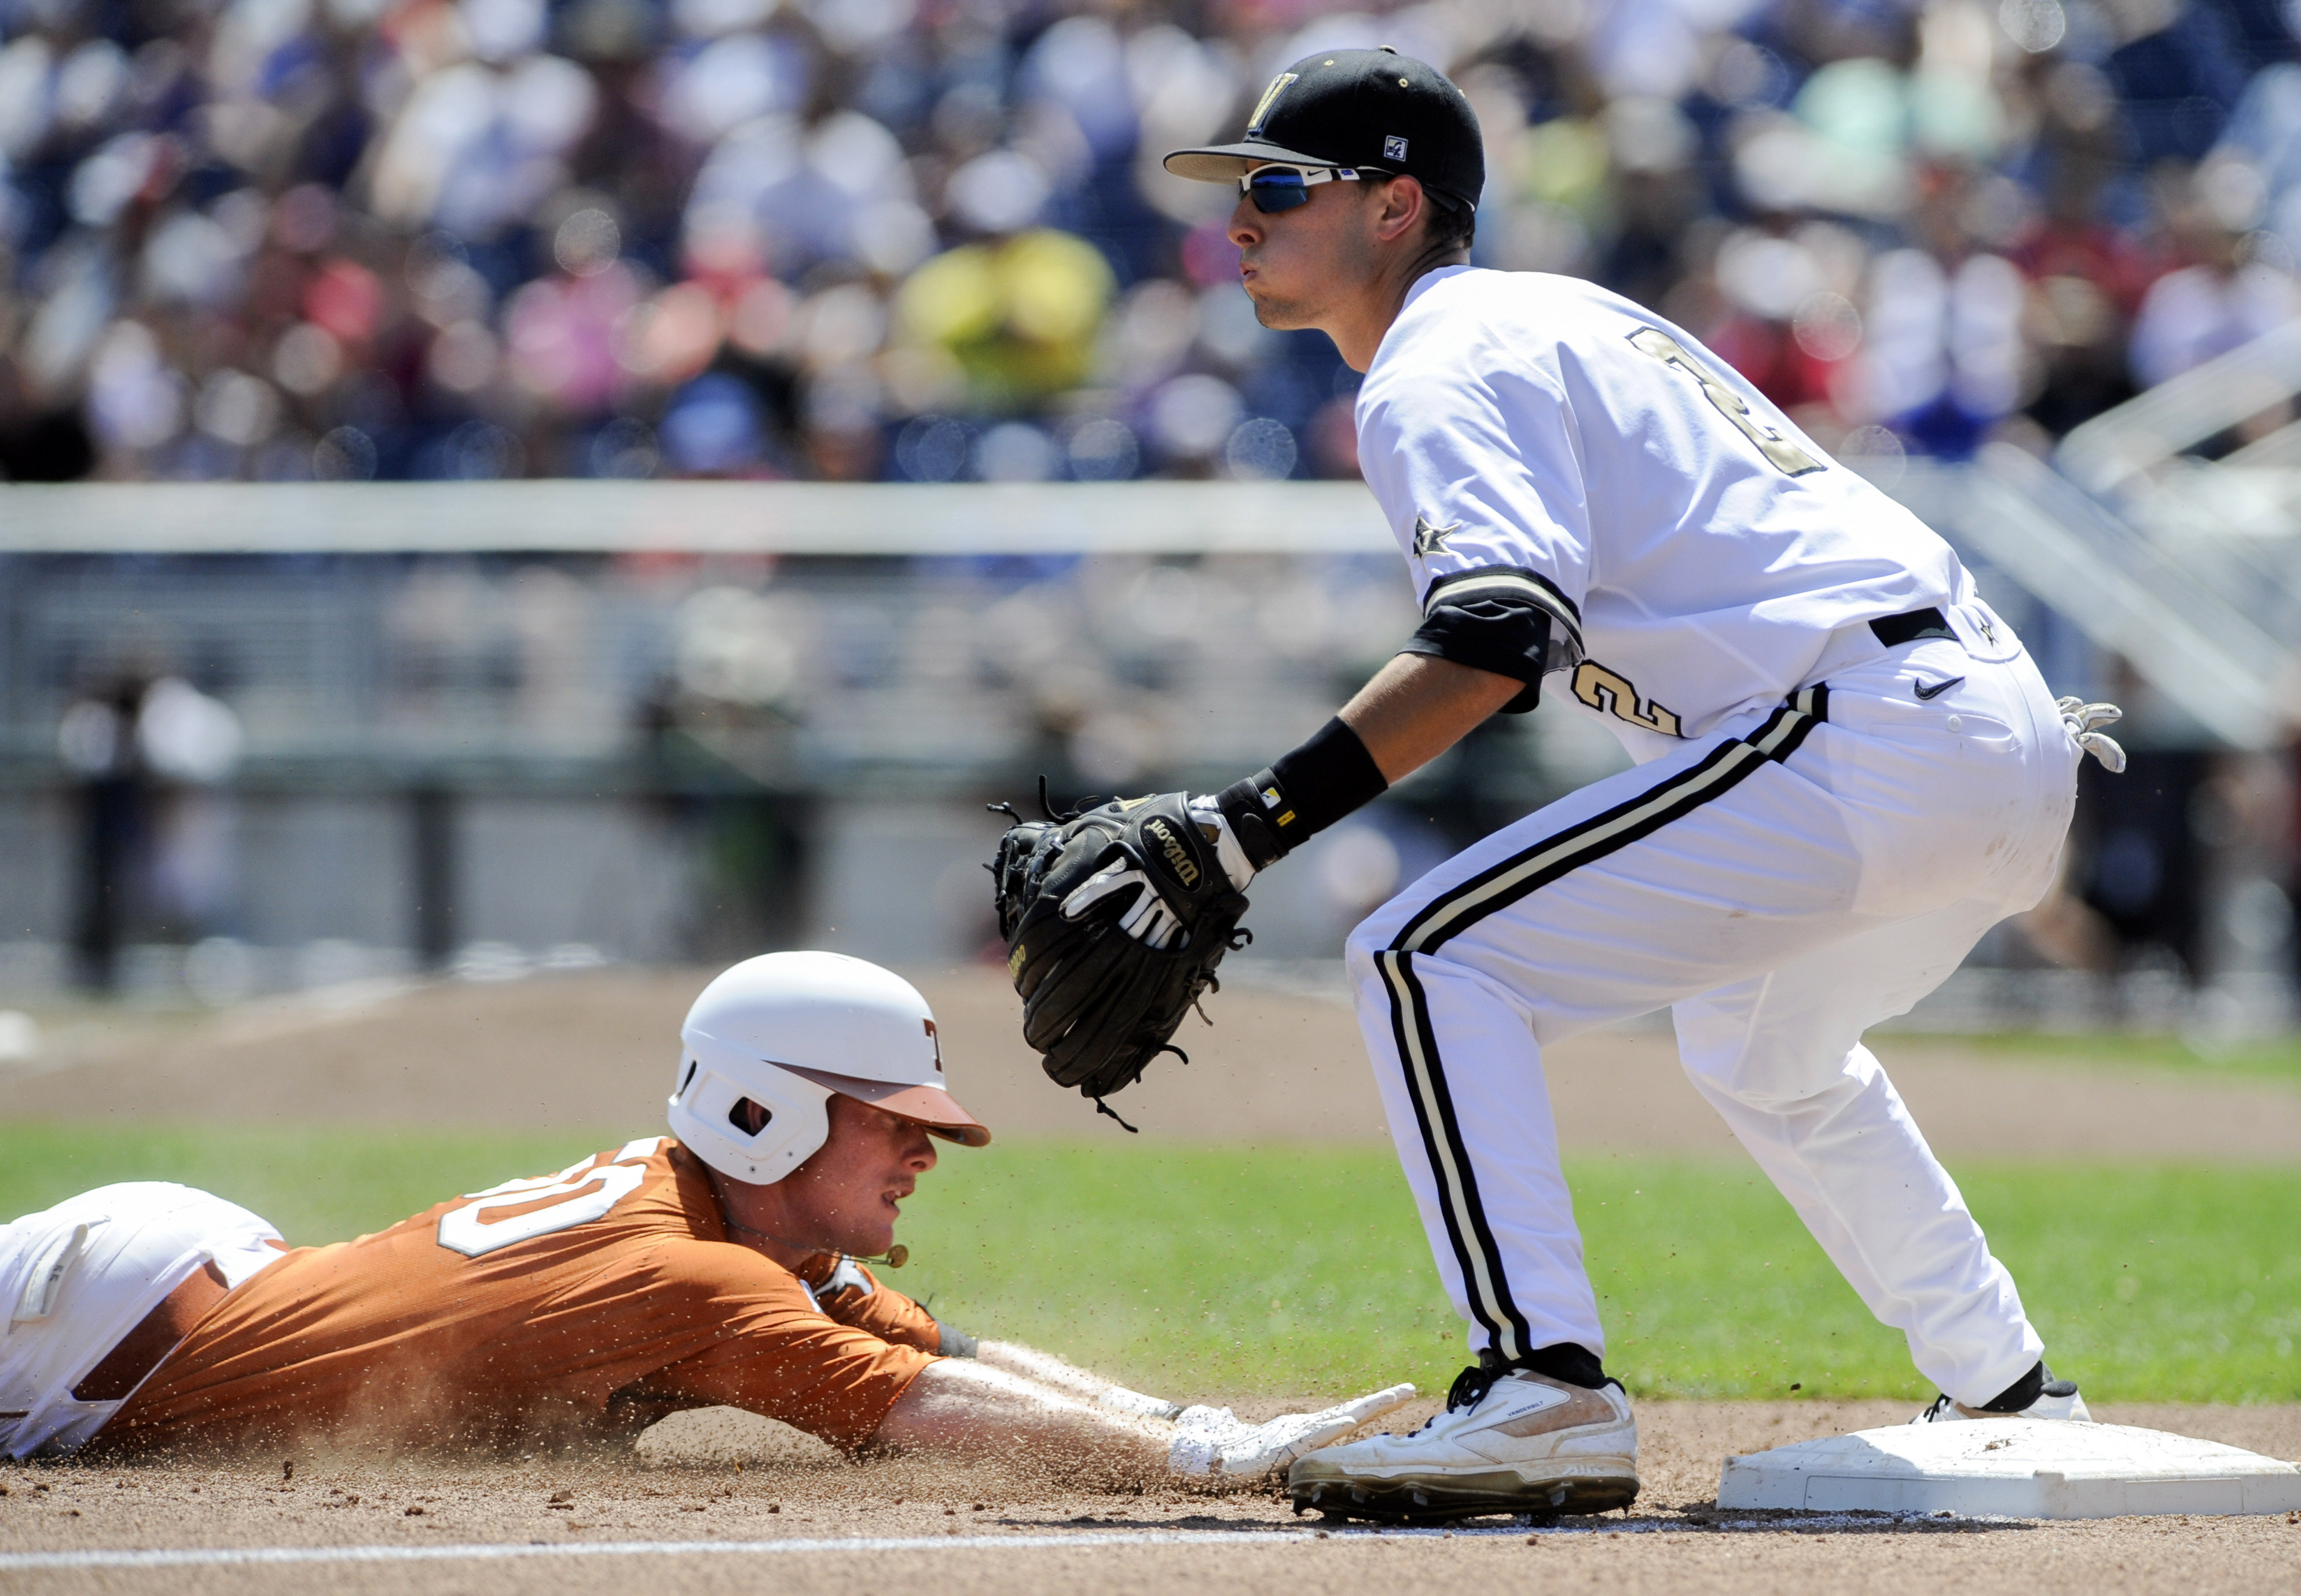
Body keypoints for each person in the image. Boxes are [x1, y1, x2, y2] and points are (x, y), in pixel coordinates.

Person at [1039, 48, 2125, 1521]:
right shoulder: (1547, 317)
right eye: (1238, 189)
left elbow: (1494, 637)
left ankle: (1539, 1384)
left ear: (1395, 206)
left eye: (1280, 185)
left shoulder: (1434, 362)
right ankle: (2006, 1386)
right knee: (1762, 1049)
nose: (1243, 219)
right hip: (1990, 738)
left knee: (1423, 954)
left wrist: (1246, 827)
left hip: (1862, 729)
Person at [0, 952, 1409, 1477]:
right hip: (113, 1328)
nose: (923, 1154)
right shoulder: (696, 1275)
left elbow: (955, 1356)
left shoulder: (728, 1226)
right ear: (768, 1111)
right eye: (892, 1121)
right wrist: (1195, 1458)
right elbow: (924, 1413)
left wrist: (1183, 1416)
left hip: (195, 1271)